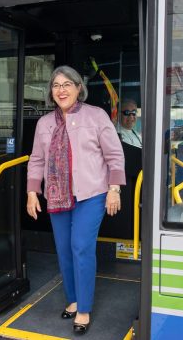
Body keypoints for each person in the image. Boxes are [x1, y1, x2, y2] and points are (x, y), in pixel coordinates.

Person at [26, 65, 125, 334]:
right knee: (64, 248)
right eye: (56, 85)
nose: (61, 90)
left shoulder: (96, 116)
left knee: (81, 246)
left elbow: (114, 155)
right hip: (57, 197)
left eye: (67, 84)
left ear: (79, 87)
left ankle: (83, 308)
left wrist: (114, 188)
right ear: (51, 92)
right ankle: (72, 298)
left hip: (91, 194)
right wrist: (32, 192)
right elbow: (36, 160)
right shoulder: (44, 123)